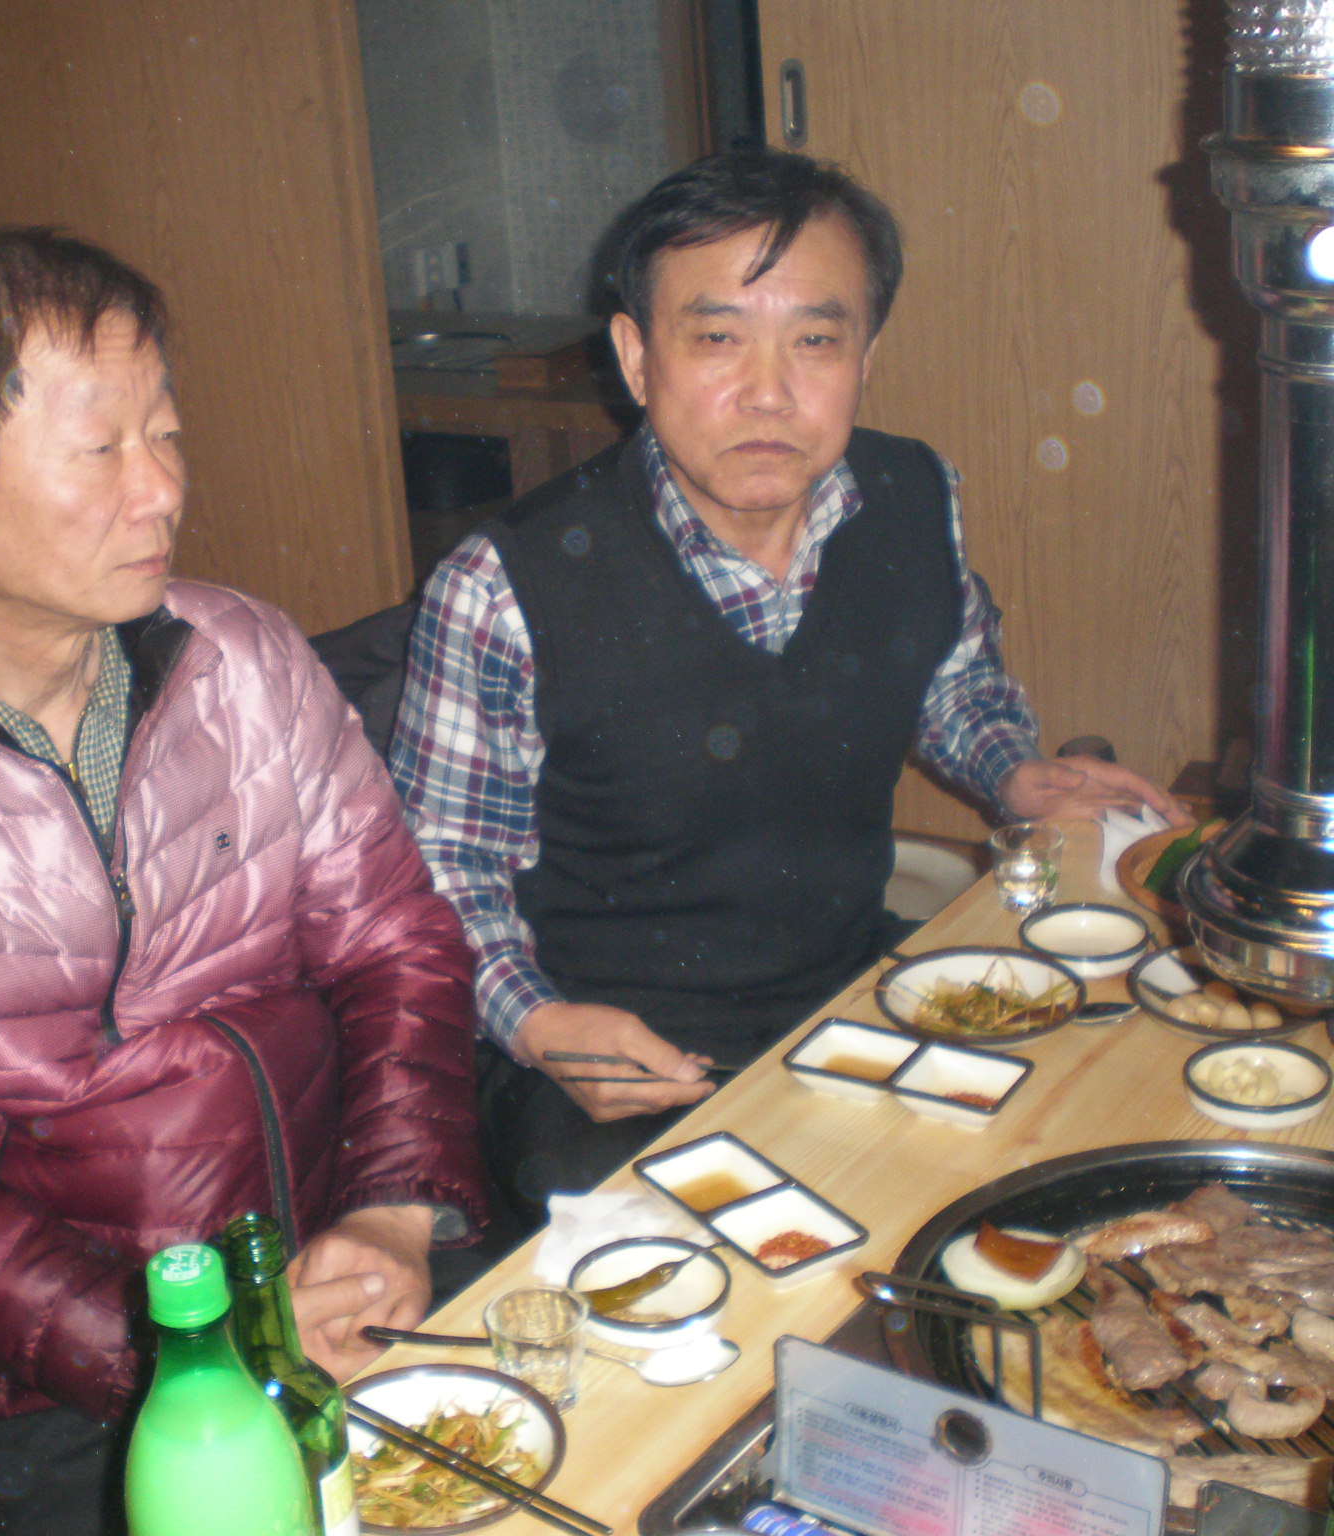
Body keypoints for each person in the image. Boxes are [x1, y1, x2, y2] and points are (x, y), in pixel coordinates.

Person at [0, 228, 487, 1535]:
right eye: (101, 449)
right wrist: (184, 1348)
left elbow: (394, 940)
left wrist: (395, 1204)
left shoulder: (242, 659)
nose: (160, 489)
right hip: (50, 1383)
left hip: (338, 1255)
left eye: (165, 433)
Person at [388, 149, 1184, 1233]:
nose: (768, 392)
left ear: (866, 357)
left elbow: (949, 678)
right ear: (635, 357)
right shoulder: (502, 586)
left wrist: (1012, 770)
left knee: (1081, 1158)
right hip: (613, 1058)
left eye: (815, 340)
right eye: (715, 337)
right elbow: (439, 873)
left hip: (848, 993)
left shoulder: (911, 493)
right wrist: (533, 1024)